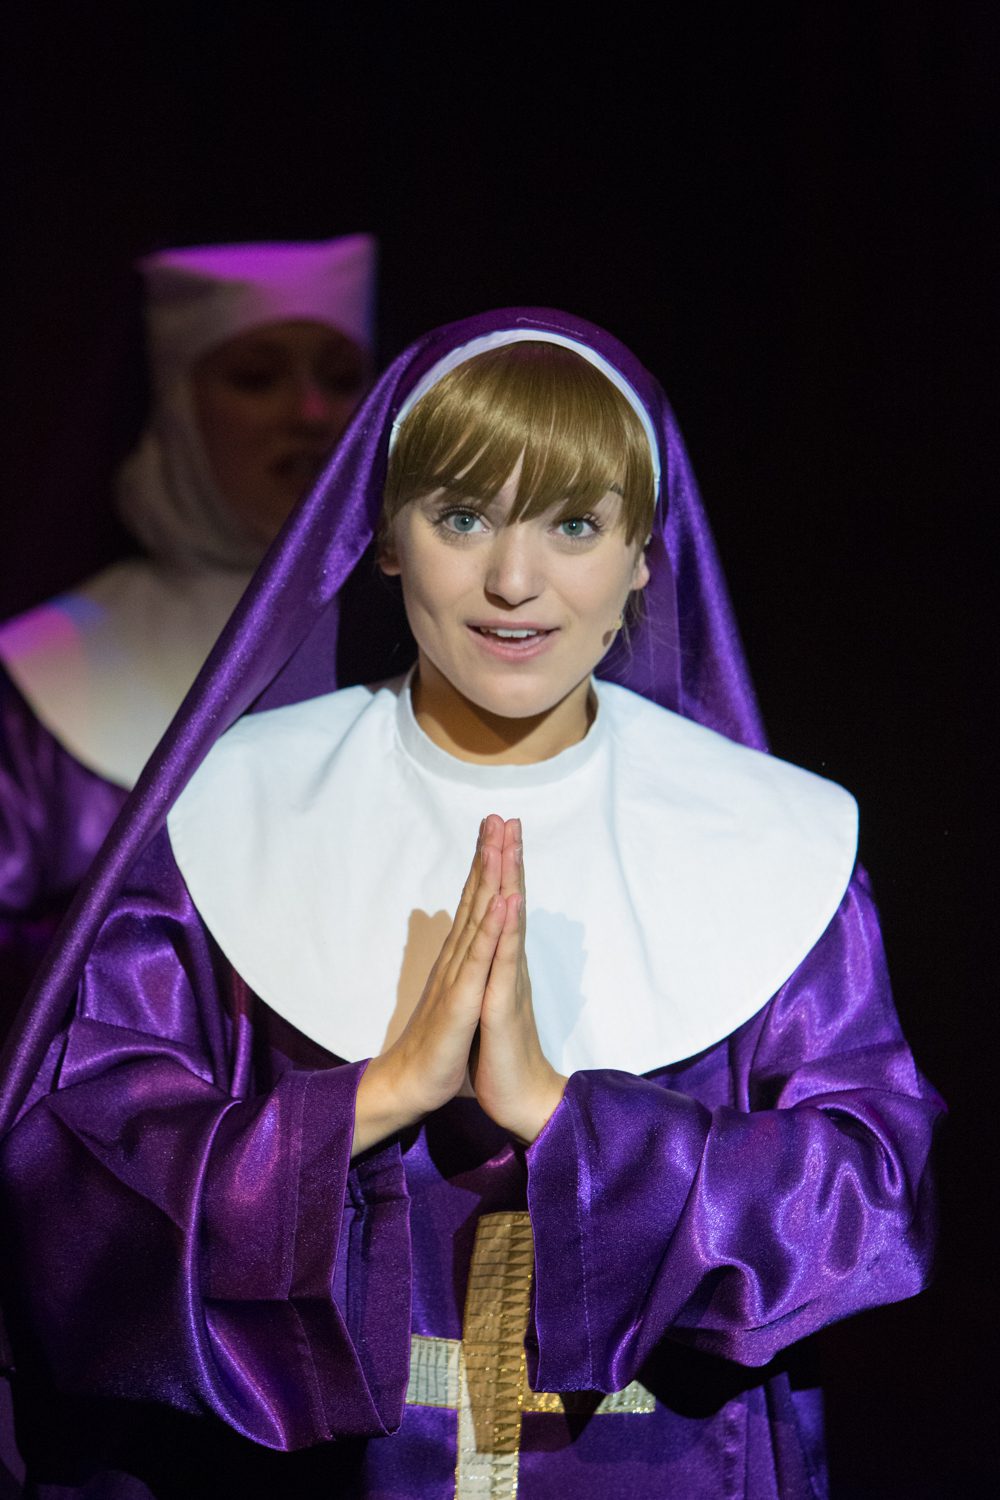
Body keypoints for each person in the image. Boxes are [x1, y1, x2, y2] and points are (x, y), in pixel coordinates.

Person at [0, 308, 942, 1499]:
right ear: (384, 540)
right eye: (459, 518)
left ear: (645, 553)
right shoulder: (237, 809)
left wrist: (565, 1117)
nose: (513, 581)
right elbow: (75, 1190)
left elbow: (866, 1198)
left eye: (574, 524)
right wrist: (371, 1100)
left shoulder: (770, 838)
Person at [0, 234, 376, 1027]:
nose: (311, 415)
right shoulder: (40, 677)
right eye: (256, 377)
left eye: (342, 381)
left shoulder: (424, 644)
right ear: (176, 403)